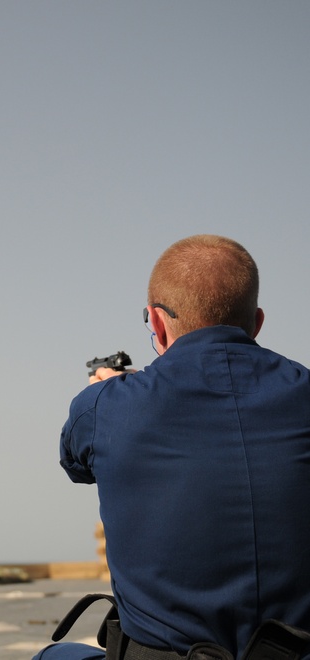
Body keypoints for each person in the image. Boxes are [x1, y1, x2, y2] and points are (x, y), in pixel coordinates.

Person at [36, 235, 310, 660]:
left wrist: (110, 394)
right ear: (255, 323)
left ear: (157, 323)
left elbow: (75, 462)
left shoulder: (107, 407)